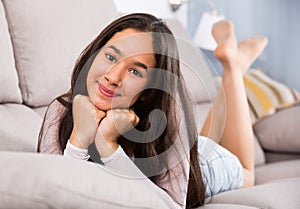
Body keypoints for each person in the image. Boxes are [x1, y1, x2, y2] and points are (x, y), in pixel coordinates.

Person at [37, 13, 267, 209]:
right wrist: (78, 139)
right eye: (110, 57)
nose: (112, 77)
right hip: (190, 150)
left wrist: (109, 146)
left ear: (149, 90)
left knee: (248, 173)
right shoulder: (60, 110)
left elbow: (169, 205)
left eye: (135, 72)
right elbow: (52, 194)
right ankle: (235, 63)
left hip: (204, 167)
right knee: (202, 139)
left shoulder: (171, 116)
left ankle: (233, 66)